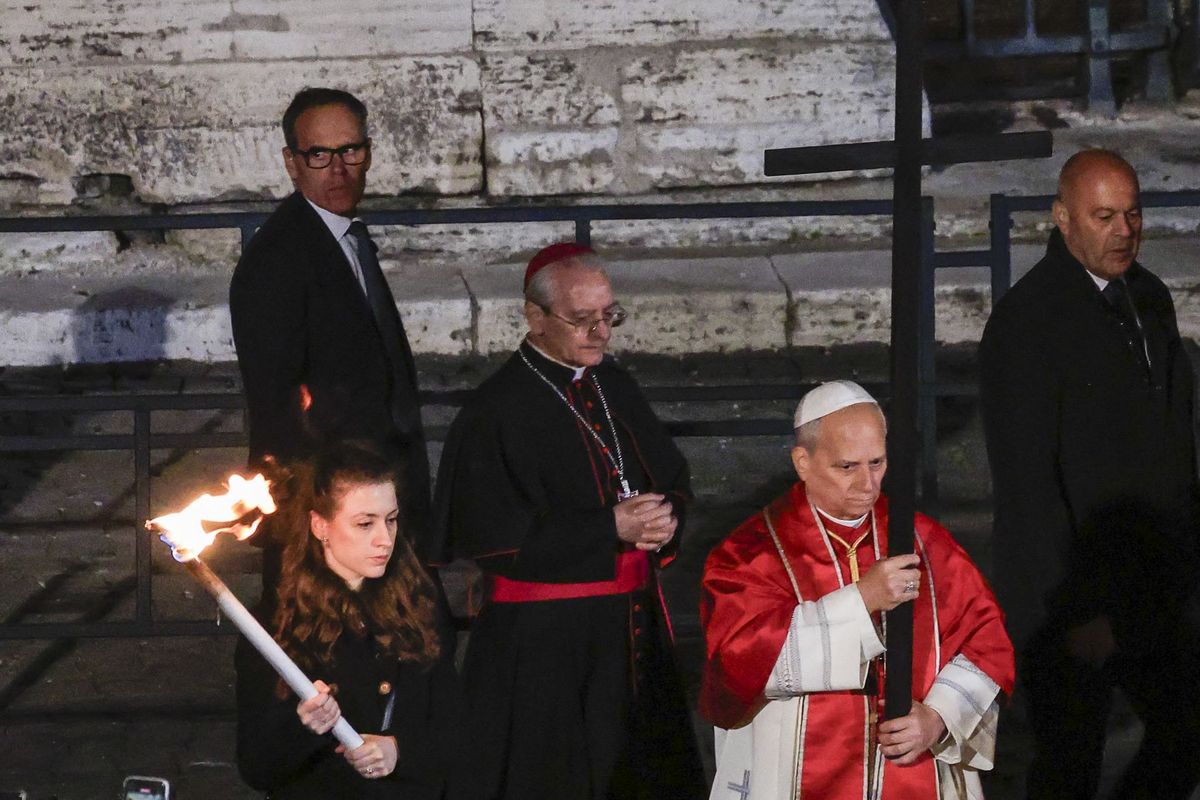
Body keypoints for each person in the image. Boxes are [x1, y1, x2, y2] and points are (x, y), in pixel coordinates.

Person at [427, 242, 705, 800]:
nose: (600, 332)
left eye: (609, 316)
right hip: (545, 651)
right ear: (536, 317)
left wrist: (664, 518)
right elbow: (498, 543)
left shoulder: (614, 384)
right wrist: (613, 529)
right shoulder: (494, 413)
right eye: (583, 319)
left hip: (631, 633)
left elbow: (670, 474)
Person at [979, 148, 1200, 798]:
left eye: (1132, 214)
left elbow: (1174, 435)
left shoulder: (1149, 298)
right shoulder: (1028, 323)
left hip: (1151, 582)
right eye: (1104, 216)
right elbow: (1027, 487)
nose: (1124, 230)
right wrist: (1075, 614)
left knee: (1185, 733)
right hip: (1072, 601)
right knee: (1068, 764)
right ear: (1064, 220)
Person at [701, 380, 1014, 800]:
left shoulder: (924, 540)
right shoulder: (749, 554)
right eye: (847, 467)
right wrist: (862, 600)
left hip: (908, 773)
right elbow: (740, 663)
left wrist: (937, 719)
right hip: (799, 774)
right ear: (803, 462)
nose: (867, 484)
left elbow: (986, 643)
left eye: (877, 463)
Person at [230, 87, 428, 596]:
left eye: (350, 151)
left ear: (369, 152)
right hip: (328, 517)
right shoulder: (278, 260)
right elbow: (280, 408)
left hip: (372, 506)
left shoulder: (343, 238)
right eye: (319, 154)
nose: (338, 168)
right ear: (292, 164)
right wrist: (326, 521)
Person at [235, 441, 468, 799]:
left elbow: (456, 729)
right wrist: (304, 727)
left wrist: (399, 750)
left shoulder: (419, 604)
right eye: (364, 524)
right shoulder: (276, 624)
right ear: (320, 525)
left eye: (391, 520)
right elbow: (257, 766)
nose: (384, 540)